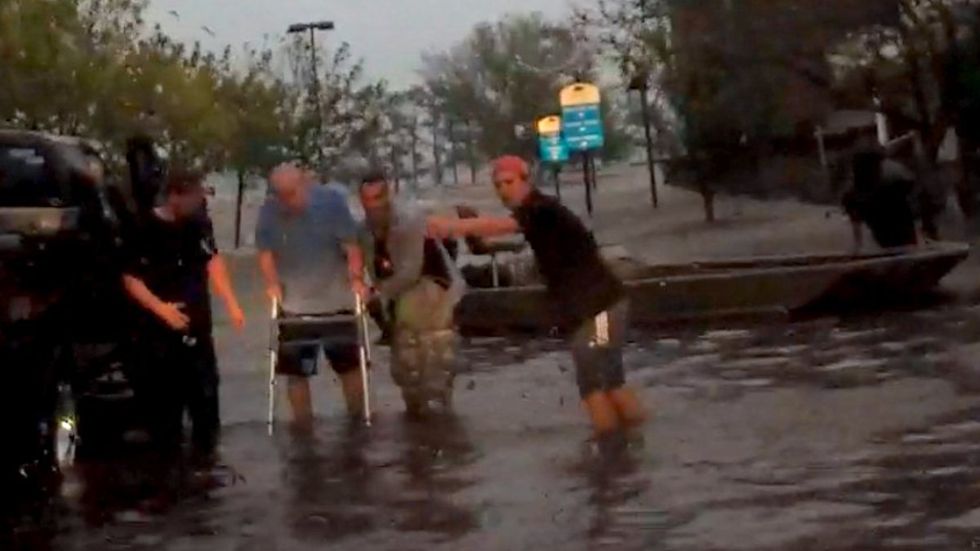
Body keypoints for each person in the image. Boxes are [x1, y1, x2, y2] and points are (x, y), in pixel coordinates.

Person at [427, 155, 645, 444]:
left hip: (602, 311)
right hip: (601, 308)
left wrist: (453, 227)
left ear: (526, 180)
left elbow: (503, 226)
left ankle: (610, 455)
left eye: (509, 182)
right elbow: (501, 238)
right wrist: (470, 231)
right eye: (498, 185)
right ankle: (634, 443)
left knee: (591, 380)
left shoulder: (541, 209)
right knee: (611, 380)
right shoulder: (537, 215)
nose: (504, 190)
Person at [122, 170, 245, 460]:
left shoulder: (198, 225)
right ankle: (168, 469)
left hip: (198, 329)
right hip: (157, 332)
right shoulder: (143, 227)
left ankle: (206, 466)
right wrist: (160, 308)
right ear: (175, 196)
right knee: (165, 413)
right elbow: (130, 278)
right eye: (193, 199)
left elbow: (213, 261)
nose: (198, 205)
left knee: (206, 403)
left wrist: (231, 302)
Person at [255, 163, 368, 427]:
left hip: (336, 300)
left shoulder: (332, 203)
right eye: (280, 194)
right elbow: (265, 252)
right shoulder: (269, 211)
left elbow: (352, 247)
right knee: (296, 372)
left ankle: (357, 421)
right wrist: (271, 283)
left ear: (304, 185)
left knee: (349, 366)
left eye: (291, 193)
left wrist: (356, 278)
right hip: (295, 305)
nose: (286, 201)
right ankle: (303, 428)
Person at [358, 171, 464, 417]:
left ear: (389, 195)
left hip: (432, 287)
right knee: (407, 367)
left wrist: (377, 293)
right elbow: (370, 265)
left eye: (379, 197)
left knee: (435, 362)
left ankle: (438, 420)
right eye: (368, 199)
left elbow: (411, 271)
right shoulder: (363, 230)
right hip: (398, 297)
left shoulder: (408, 221)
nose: (374, 205)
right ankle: (418, 417)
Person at [843, 148, 920, 251]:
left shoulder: (890, 186)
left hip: (899, 239)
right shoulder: (890, 187)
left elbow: (856, 226)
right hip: (897, 240)